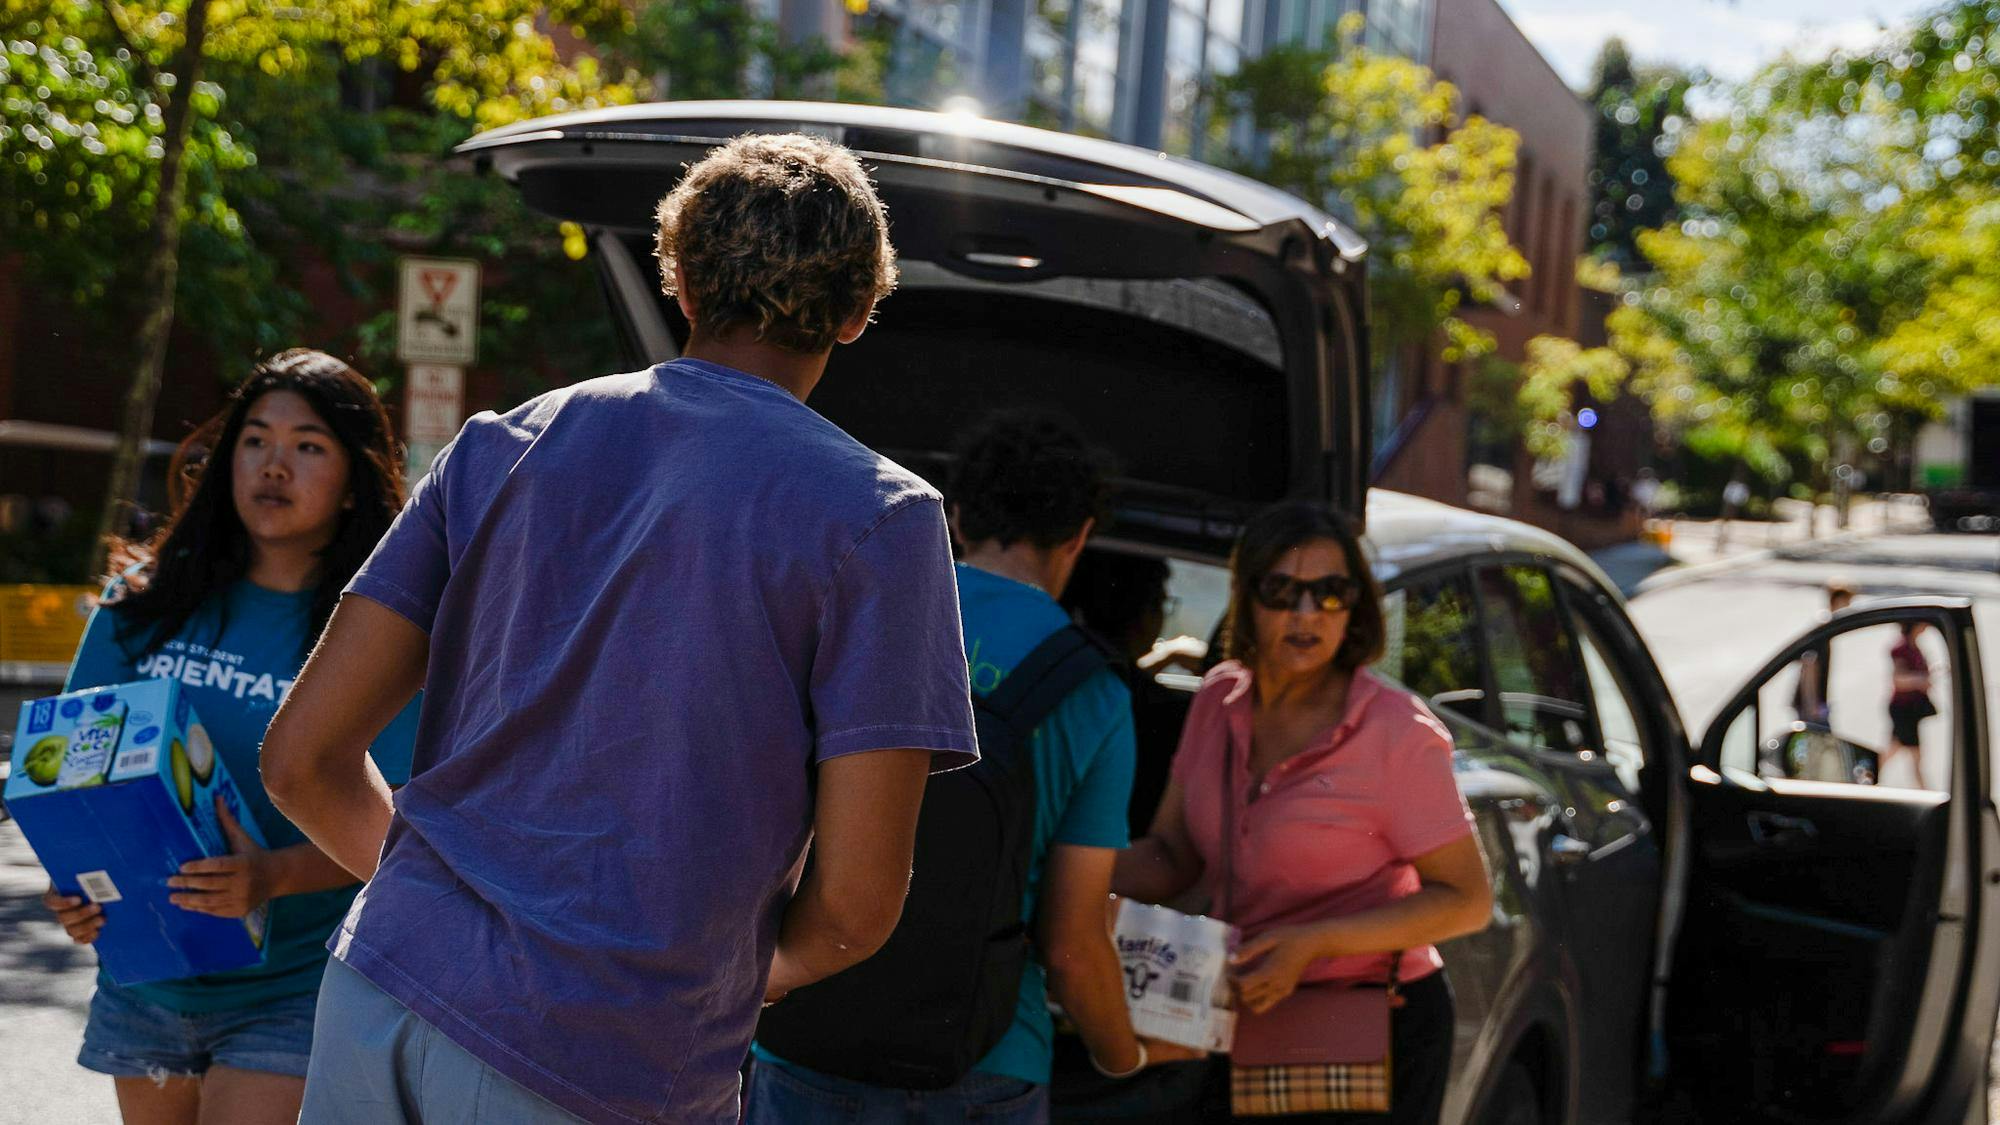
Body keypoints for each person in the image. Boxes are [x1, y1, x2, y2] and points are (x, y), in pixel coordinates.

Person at [261, 133, 978, 1125]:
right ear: (859, 312)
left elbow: (300, 760)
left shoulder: (499, 444)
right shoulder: (882, 522)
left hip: (379, 987)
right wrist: (735, 973)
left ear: (677, 278)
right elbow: (855, 907)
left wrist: (452, 917)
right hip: (602, 1048)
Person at [748, 411, 1199, 1123]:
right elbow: (1073, 944)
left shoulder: (854, 608)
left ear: (955, 516)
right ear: (1080, 535)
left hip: (802, 1035)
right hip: (986, 1064)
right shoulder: (1094, 693)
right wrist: (1124, 1056)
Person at [40, 349, 420, 1125]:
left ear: (355, 477)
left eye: (309, 445)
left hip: (290, 984)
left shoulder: (383, 637)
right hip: (146, 976)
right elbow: (71, 773)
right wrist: (72, 885)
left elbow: (404, 833)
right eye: (255, 439)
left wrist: (272, 876)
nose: (274, 464)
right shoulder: (139, 605)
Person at [1113, 501, 1493, 1124]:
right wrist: (1058, 870)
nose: (1305, 613)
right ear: (1246, 598)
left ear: (1357, 605)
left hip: (1367, 1027)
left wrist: (1312, 944)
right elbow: (1171, 856)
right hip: (1239, 1014)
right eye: (1281, 590)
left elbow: (1467, 900)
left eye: (1330, 593)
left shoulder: (1396, 730)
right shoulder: (1217, 698)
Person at [1792, 580, 1857, 726]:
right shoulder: (1824, 626)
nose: (1848, 607)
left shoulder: (1827, 625)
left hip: (1815, 703)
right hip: (1810, 705)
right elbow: (1809, 663)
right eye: (1847, 602)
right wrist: (1812, 705)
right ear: (1838, 600)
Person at [1886, 621, 1937, 787]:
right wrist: (1921, 680)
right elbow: (1898, 679)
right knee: (1915, 756)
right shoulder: (1901, 648)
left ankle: (1865, 777)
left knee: (1894, 748)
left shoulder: (1915, 646)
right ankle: (1927, 794)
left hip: (1910, 709)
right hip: (1904, 709)